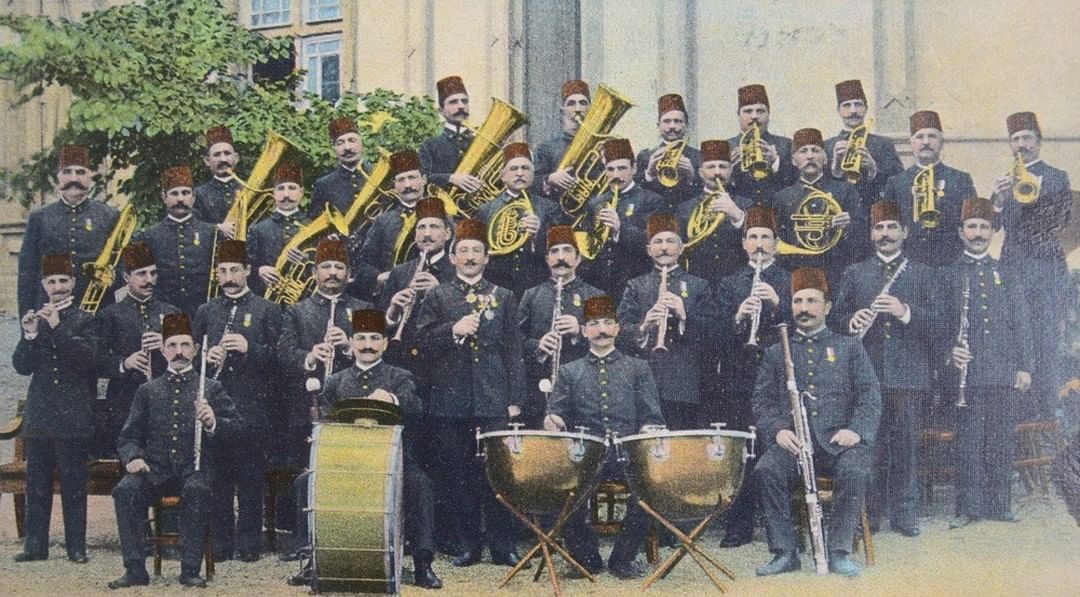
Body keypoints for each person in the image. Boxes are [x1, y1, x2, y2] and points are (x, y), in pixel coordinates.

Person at [752, 267, 881, 577]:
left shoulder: (849, 347)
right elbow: (762, 402)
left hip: (839, 442)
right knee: (766, 469)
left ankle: (838, 551)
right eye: (798, 301)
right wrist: (778, 430)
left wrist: (856, 430)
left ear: (828, 306)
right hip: (794, 443)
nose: (804, 308)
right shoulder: (775, 352)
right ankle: (785, 551)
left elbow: (870, 395)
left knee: (855, 469)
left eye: (812, 301)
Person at [412, 218, 525, 567]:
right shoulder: (437, 295)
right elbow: (422, 343)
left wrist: (515, 399)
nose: (470, 256)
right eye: (463, 250)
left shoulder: (503, 297)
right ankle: (468, 545)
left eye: (477, 250)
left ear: (487, 257)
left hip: (493, 399)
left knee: (498, 475)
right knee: (457, 476)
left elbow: (514, 351)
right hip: (450, 400)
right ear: (453, 257)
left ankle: (503, 545)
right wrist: (453, 330)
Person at [107, 312, 240, 589]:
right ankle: (134, 569)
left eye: (184, 345)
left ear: (195, 349)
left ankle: (190, 569)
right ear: (163, 350)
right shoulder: (148, 390)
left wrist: (213, 421)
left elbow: (237, 430)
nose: (178, 352)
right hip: (155, 470)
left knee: (198, 490)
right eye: (172, 346)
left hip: (195, 469)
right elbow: (128, 437)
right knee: (125, 489)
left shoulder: (211, 387)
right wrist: (133, 458)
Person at [316, 309, 443, 589]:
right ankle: (313, 562)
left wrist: (392, 398)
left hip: (394, 463)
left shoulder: (400, 376)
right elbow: (324, 422)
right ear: (350, 343)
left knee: (421, 485)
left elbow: (416, 409)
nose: (368, 345)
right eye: (360, 338)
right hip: (346, 463)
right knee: (306, 483)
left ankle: (423, 564)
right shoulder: (335, 381)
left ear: (385, 343)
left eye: (375, 338)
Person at [830, 200, 935, 537]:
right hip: (866, 376)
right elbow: (833, 319)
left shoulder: (922, 273)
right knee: (869, 448)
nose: (885, 234)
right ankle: (870, 516)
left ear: (905, 232)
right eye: (879, 228)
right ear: (871, 233)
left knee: (906, 446)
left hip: (909, 377)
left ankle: (905, 514)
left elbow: (941, 323)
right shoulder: (855, 272)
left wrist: (905, 311)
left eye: (892, 227)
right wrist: (851, 320)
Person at [544, 295, 665, 579]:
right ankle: (587, 558)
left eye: (608, 323)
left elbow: (653, 416)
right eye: (594, 324)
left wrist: (649, 429)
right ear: (584, 331)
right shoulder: (569, 371)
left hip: (627, 455)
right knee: (562, 489)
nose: (601, 330)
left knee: (649, 487)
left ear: (618, 329)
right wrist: (553, 420)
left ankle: (623, 559)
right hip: (586, 455)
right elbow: (557, 413)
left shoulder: (638, 368)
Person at [940, 198, 1034, 529]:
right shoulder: (948, 274)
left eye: (984, 227)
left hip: (1003, 372)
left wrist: (1025, 367)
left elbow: (1021, 323)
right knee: (969, 443)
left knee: (1000, 441)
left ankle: (1000, 505)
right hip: (967, 375)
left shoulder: (1005, 272)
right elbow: (939, 325)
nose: (978, 233)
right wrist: (950, 351)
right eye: (972, 227)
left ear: (992, 232)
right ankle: (969, 507)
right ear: (961, 232)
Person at [276, 238, 372, 560]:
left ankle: (344, 537)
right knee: (304, 471)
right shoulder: (297, 311)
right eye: (326, 267)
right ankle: (302, 540)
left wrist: (348, 346)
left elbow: (376, 353)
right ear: (315, 272)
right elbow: (283, 352)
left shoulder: (360, 309)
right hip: (305, 405)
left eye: (339, 267)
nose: (333, 273)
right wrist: (310, 355)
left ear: (349, 273)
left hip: (347, 403)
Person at [378, 196, 461, 556]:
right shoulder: (401, 272)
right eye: (421, 228)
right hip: (406, 376)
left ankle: (442, 535)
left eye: (433, 227)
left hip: (442, 375)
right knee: (406, 454)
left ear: (447, 233)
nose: (427, 234)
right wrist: (394, 311)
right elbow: (381, 326)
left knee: (441, 456)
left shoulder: (455, 272)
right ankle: (408, 534)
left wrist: (437, 292)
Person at [193, 240, 282, 562]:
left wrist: (249, 348)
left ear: (247, 272)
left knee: (250, 479)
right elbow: (192, 361)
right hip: (216, 407)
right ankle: (221, 542)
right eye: (223, 271)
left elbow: (280, 360)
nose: (229, 277)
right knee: (218, 477)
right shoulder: (206, 311)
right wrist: (206, 355)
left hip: (253, 408)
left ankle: (249, 544)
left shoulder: (267, 309)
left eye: (234, 270)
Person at [712, 205, 792, 547]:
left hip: (776, 377)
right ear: (744, 243)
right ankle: (739, 525)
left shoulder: (789, 281)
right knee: (743, 451)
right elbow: (710, 333)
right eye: (753, 237)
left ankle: (778, 526)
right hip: (739, 377)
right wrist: (736, 316)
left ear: (776, 244)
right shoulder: (730, 283)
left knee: (774, 448)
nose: (759, 244)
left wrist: (777, 304)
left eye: (766, 238)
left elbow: (805, 323)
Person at [11, 254, 96, 564]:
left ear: (72, 283)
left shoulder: (85, 318)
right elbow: (22, 366)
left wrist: (57, 327)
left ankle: (77, 547)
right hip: (41, 416)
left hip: (73, 415)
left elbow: (88, 361)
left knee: (74, 484)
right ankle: (36, 546)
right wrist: (31, 334)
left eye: (63, 281)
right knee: (38, 484)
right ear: (44, 285)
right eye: (52, 282)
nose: (57, 287)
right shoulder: (35, 317)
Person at [990, 111, 1073, 420]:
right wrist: (997, 201)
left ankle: (1047, 417)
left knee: (1046, 347)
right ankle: (1021, 419)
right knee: (1018, 347)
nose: (1021, 144)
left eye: (1026, 138)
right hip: (1014, 271)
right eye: (1015, 139)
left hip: (1047, 274)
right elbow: (992, 226)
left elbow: (1061, 224)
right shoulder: (1005, 180)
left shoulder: (1057, 176)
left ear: (1039, 141)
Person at [617, 213, 713, 430]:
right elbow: (621, 332)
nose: (664, 248)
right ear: (648, 250)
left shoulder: (699, 286)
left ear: (681, 249)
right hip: (643, 381)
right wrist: (645, 325)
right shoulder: (636, 285)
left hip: (684, 385)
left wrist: (683, 314)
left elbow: (711, 334)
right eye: (657, 242)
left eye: (670, 241)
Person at [89, 242, 181, 459]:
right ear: (125, 277)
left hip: (165, 403)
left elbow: (188, 360)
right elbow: (96, 359)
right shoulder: (109, 315)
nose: (149, 280)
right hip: (124, 403)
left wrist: (166, 345)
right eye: (141, 274)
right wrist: (124, 363)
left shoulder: (171, 312)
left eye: (153, 273)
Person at [516, 225, 604, 427]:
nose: (560, 257)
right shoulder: (532, 295)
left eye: (567, 251)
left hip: (583, 389)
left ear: (578, 258)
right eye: (554, 251)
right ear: (547, 259)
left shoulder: (594, 295)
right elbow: (515, 341)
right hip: (540, 390)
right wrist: (538, 345)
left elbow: (608, 339)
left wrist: (580, 331)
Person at [17, 144, 119, 316]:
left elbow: (122, 265)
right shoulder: (40, 217)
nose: (74, 178)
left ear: (90, 177)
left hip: (98, 311)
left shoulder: (109, 215)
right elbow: (27, 272)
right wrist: (28, 319)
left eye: (80, 172)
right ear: (58, 178)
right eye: (67, 172)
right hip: (49, 310)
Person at [881, 110, 977, 267]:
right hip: (909, 262)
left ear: (941, 142)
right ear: (911, 143)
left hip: (951, 262)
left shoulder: (961, 179)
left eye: (932, 136)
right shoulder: (896, 182)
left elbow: (970, 224)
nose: (926, 142)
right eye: (920, 137)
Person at [772, 127, 867, 282]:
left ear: (825, 158)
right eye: (803, 151)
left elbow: (862, 235)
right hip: (797, 272)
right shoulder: (782, 197)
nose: (810, 156)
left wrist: (848, 225)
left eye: (816, 150)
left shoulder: (845, 190)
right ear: (794, 160)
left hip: (837, 271)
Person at [577, 138, 662, 296]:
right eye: (610, 169)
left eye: (622, 168)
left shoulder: (651, 200)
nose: (616, 175)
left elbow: (652, 243)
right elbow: (588, 243)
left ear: (634, 168)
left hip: (634, 282)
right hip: (599, 282)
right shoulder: (596, 203)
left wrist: (619, 229)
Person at [475, 142, 560, 297]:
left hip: (536, 283)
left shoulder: (549, 208)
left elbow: (556, 250)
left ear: (533, 175)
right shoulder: (486, 209)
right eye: (513, 169)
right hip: (497, 283)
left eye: (525, 168)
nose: (520, 173)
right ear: (503, 176)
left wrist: (537, 236)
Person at [134, 165, 217, 318]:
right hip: (162, 313)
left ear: (193, 197)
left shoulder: (211, 233)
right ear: (164, 197)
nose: (180, 199)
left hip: (203, 312)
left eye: (185, 193)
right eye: (174, 193)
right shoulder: (149, 236)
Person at [675, 139, 750, 283]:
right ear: (701, 173)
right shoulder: (685, 208)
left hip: (736, 282)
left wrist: (737, 215)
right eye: (711, 167)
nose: (717, 172)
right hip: (698, 280)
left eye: (723, 167)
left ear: (730, 171)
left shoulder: (745, 204)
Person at [824, 80, 903, 208]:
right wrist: (835, 168)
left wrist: (874, 169)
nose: (853, 111)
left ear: (866, 109)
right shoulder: (827, 146)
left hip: (873, 213)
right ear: (838, 110)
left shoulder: (884, 144)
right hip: (839, 214)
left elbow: (899, 183)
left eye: (858, 104)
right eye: (847, 105)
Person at [358, 149, 429, 274]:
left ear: (424, 180)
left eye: (412, 177)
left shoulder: (442, 215)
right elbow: (364, 265)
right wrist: (380, 278)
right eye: (401, 180)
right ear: (394, 186)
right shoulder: (383, 221)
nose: (407, 185)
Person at [246, 162, 309, 297]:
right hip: (266, 300)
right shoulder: (258, 230)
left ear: (301, 192)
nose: (286, 194)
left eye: (292, 188)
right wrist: (259, 271)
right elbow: (246, 268)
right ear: (273, 193)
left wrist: (307, 260)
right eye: (281, 189)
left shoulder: (313, 227)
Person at [726, 84, 796, 202]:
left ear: (768, 115)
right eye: (748, 111)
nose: (754, 116)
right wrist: (728, 171)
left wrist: (776, 163)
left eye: (760, 111)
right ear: (738, 115)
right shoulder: (726, 147)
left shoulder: (787, 144)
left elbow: (796, 183)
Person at [635, 93, 701, 210]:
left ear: (686, 126)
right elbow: (635, 194)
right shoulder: (645, 156)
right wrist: (649, 173)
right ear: (658, 126)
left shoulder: (698, 156)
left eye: (678, 121)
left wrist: (692, 176)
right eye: (666, 121)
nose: (672, 126)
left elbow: (705, 193)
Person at [419, 76, 479, 195]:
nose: (461, 106)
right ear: (441, 111)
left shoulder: (478, 141)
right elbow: (421, 179)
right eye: (453, 102)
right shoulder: (430, 145)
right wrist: (451, 178)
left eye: (464, 101)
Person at [534, 80, 592, 199]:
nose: (577, 108)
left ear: (590, 109)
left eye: (583, 103)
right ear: (562, 111)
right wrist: (549, 179)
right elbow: (530, 183)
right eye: (571, 103)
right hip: (557, 213)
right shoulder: (546, 148)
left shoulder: (601, 146)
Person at [309, 116, 369, 218]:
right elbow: (314, 221)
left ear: (361, 142)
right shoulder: (323, 184)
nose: (347, 148)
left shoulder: (378, 173)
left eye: (352, 140)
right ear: (334, 148)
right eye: (340, 143)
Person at [192, 125, 241, 239]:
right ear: (207, 161)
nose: (223, 159)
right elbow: (190, 226)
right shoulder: (198, 194)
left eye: (227, 153)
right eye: (217, 154)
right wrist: (217, 228)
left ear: (236, 158)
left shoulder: (248, 189)